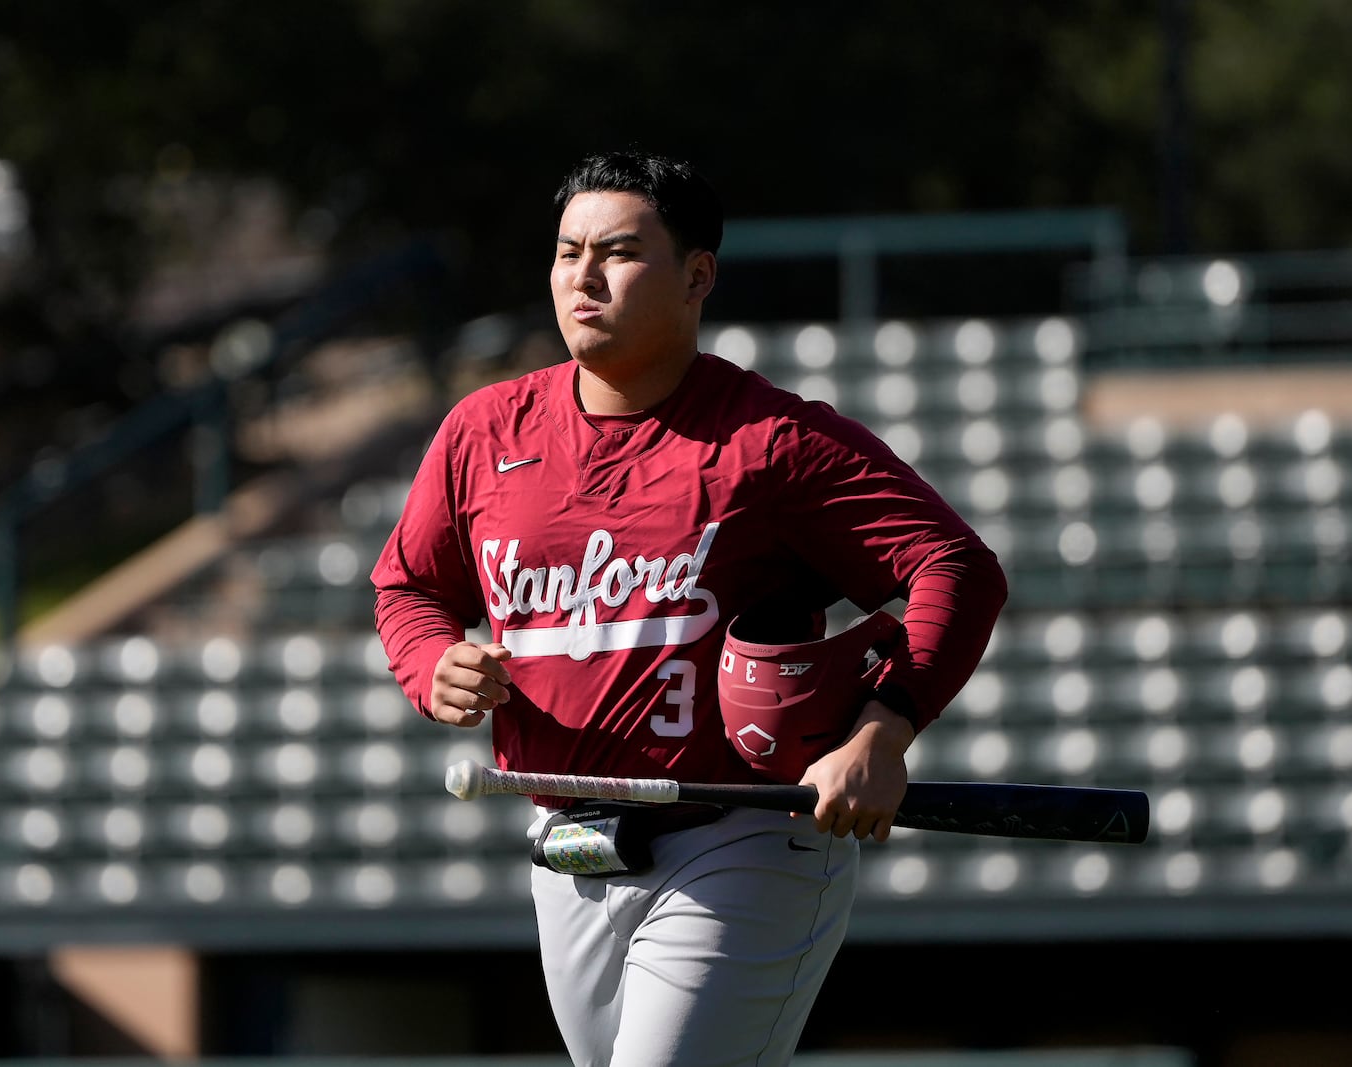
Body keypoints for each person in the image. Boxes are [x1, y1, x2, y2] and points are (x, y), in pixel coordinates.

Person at [371, 148, 1008, 1067]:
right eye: (566, 251)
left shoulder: (774, 441)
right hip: (571, 846)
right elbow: (410, 585)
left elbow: (956, 565)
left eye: (619, 252)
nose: (584, 276)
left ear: (698, 275)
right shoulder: (483, 431)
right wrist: (431, 659)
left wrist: (881, 733)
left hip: (745, 840)